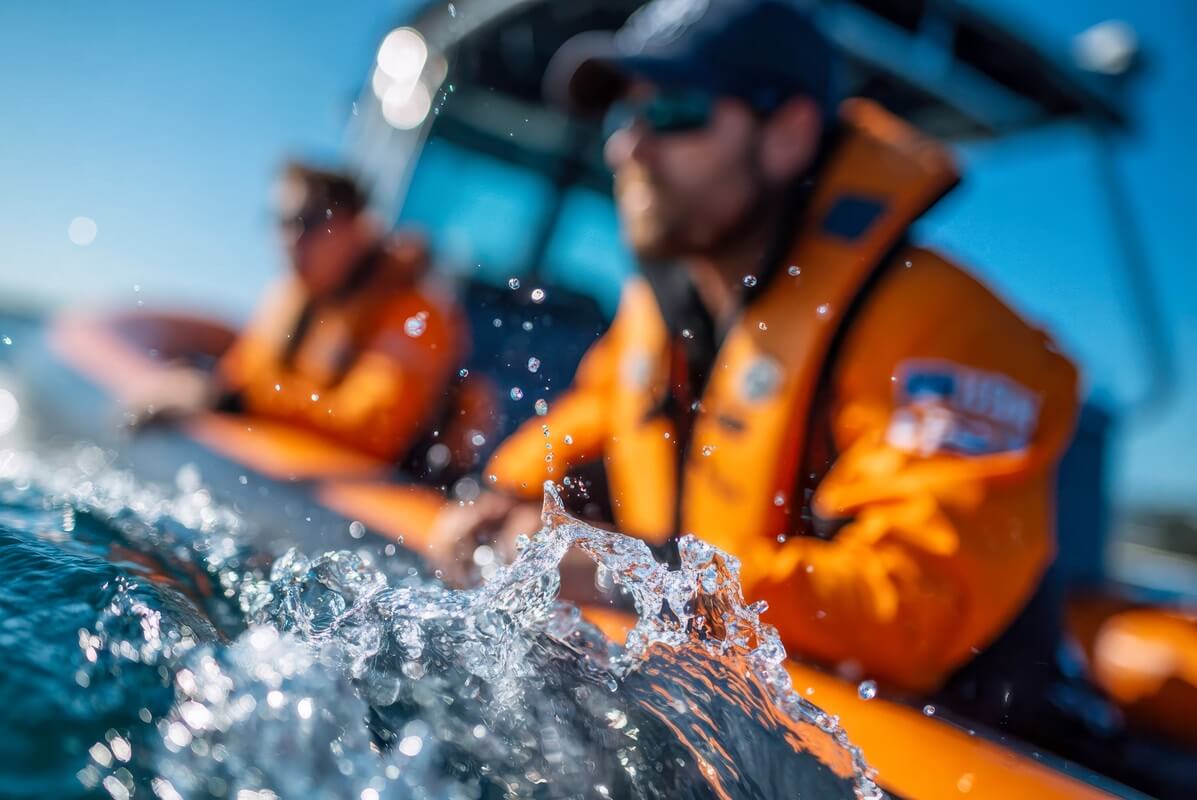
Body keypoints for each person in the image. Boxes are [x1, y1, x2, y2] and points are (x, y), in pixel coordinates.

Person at [431, 0, 1080, 706]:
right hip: (712, 697)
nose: (629, 147)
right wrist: (503, 496)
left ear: (787, 135)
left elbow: (914, 604)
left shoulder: (956, 333)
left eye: (674, 109)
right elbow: (597, 413)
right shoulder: (661, 313)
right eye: (625, 115)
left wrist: (628, 575)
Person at [130, 163, 489, 476]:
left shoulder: (417, 316)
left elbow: (372, 432)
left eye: (308, 220)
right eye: (281, 222)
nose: (289, 238)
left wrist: (225, 399)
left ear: (357, 227)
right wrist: (201, 386)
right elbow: (241, 378)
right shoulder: (287, 298)